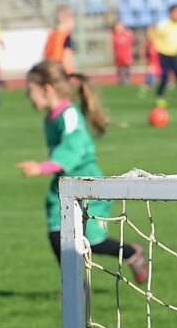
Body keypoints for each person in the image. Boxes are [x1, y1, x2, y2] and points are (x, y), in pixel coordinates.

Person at [14, 61, 148, 281]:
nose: (28, 97)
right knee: (57, 233)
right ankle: (74, 285)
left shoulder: (69, 115)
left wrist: (42, 167)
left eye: (30, 91)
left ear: (46, 89)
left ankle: (132, 252)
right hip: (64, 184)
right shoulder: (52, 116)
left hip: (88, 184)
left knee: (93, 241)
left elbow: (73, 147)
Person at [150, 5, 177, 103]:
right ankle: (159, 95)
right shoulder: (163, 25)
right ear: (171, 13)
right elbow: (154, 35)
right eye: (176, 13)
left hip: (174, 54)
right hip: (163, 53)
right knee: (165, 75)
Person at [43, 5, 76, 75]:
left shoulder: (51, 34)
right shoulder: (65, 36)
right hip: (61, 68)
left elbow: (45, 52)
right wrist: (70, 71)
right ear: (67, 20)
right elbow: (67, 54)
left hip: (50, 67)